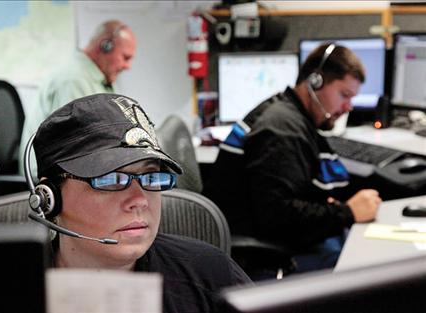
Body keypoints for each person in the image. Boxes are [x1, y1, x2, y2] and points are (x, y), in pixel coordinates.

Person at [27, 93, 251, 312]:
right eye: (111, 179)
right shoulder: (6, 291)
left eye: (151, 177)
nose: (140, 200)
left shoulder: (211, 275)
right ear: (49, 197)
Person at [203, 43, 381, 272]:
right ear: (314, 81)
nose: (348, 107)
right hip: (262, 251)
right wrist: (347, 212)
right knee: (361, 267)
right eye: (344, 95)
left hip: (262, 232)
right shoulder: (281, 130)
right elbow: (278, 217)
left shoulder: (289, 112)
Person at [19, 20, 136, 174]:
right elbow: (75, 146)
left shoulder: (104, 79)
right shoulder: (72, 81)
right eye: (125, 58)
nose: (128, 66)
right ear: (105, 46)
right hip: (48, 173)